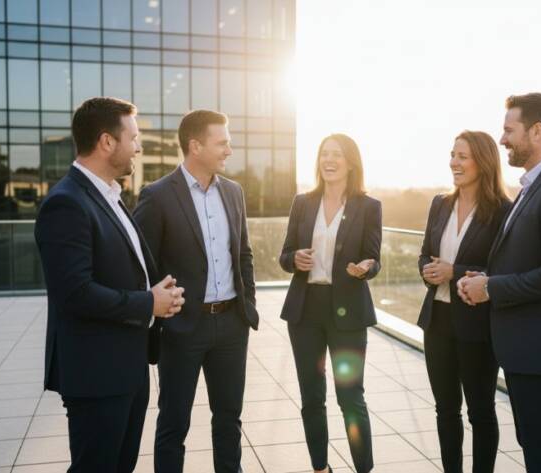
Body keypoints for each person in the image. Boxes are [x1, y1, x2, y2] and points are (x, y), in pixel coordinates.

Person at [34, 96, 185, 473]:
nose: (138, 147)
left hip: (127, 369)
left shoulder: (110, 196)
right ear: (106, 142)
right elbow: (75, 294)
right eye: (133, 138)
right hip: (97, 376)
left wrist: (158, 292)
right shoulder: (66, 203)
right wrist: (148, 303)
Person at [458, 93, 541, 472]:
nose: (502, 139)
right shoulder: (535, 185)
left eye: (508, 130)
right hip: (529, 351)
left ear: (537, 131)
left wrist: (492, 288)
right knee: (537, 453)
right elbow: (527, 258)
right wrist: (487, 278)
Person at [133, 110, 259, 473]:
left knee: (229, 419)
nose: (229, 151)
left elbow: (244, 254)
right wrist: (157, 311)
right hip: (182, 328)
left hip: (231, 325)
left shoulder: (233, 192)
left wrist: (247, 306)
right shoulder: (157, 196)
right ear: (195, 146)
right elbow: (140, 264)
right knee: (174, 424)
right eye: (222, 143)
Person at [278, 134, 382, 473]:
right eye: (324, 153)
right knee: (312, 398)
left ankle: (364, 469)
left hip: (348, 312)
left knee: (350, 397)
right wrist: (295, 259)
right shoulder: (303, 203)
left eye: (337, 154)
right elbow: (284, 255)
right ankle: (320, 468)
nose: (329, 160)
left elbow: (374, 259)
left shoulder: (369, 206)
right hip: (305, 311)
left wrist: (366, 267)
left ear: (351, 162)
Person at [418, 131, 511, 472]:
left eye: (462, 156)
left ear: (482, 162)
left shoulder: (503, 211)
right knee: (445, 410)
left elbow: (502, 269)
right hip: (437, 321)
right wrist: (428, 270)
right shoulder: (440, 204)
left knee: (480, 411)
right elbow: (425, 253)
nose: (454, 163)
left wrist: (453, 272)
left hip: (477, 325)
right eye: (452, 155)